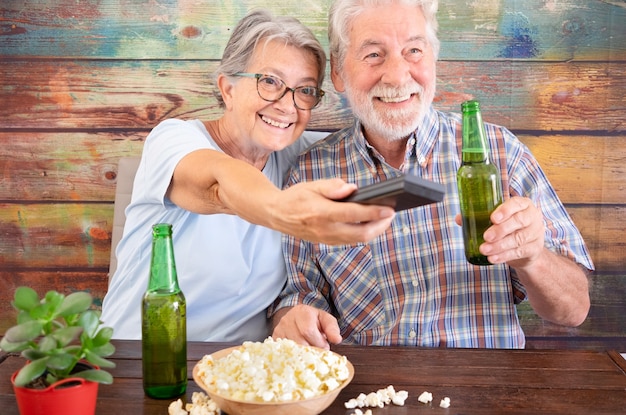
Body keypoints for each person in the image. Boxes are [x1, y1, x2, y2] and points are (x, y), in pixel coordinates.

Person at [270, 0, 594, 349]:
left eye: (413, 50)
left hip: (487, 391)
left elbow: (574, 310)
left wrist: (534, 258)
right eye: (374, 54)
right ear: (338, 72)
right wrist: (292, 317)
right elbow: (300, 298)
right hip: (372, 396)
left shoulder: (501, 153)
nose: (396, 76)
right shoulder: (309, 174)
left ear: (433, 60)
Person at [101, 9, 395, 342]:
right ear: (228, 88)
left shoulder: (301, 158)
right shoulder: (174, 139)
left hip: (238, 375)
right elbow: (218, 182)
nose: (288, 106)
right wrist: (282, 209)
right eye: (270, 81)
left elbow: (370, 145)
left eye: (305, 90)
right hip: (135, 360)